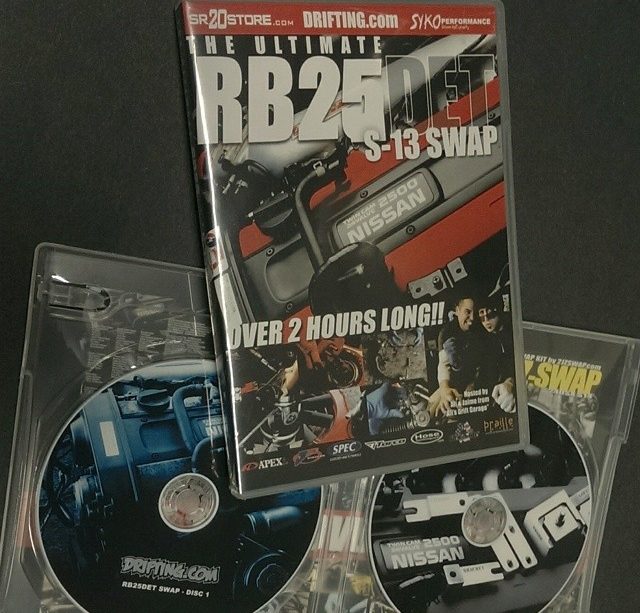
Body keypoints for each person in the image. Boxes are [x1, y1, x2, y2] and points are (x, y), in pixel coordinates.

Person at [431, 293, 484, 415]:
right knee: (434, 409)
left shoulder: (480, 328)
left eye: (475, 312)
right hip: (454, 379)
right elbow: (443, 364)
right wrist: (444, 388)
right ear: (457, 311)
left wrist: (474, 384)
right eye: (467, 312)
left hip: (477, 378)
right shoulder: (446, 333)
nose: (472, 318)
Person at [477, 297, 516, 413]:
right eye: (482, 316)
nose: (486, 320)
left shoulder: (512, 330)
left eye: (490, 314)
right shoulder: (485, 340)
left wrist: (511, 382)